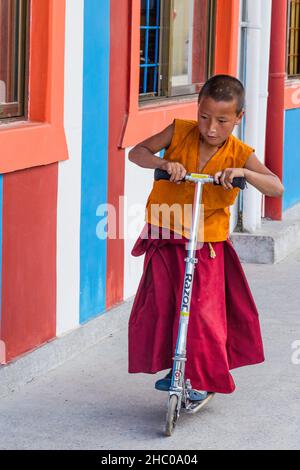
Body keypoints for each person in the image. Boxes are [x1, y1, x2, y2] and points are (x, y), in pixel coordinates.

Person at [127, 74, 284, 401]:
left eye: (222, 121)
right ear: (196, 109)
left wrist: (243, 173)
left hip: (207, 241)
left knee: (202, 312)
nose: (211, 128)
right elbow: (137, 153)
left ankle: (203, 375)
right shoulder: (179, 131)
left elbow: (275, 186)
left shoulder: (239, 153)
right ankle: (178, 366)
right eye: (204, 117)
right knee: (167, 304)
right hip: (166, 231)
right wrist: (164, 162)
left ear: (239, 118)